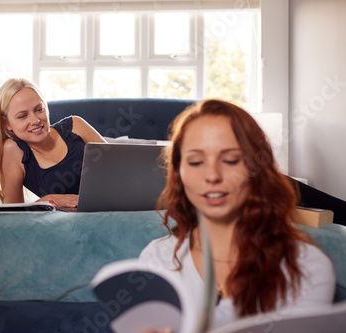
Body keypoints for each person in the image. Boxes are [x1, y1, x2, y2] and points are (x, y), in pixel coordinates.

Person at [139, 99, 336, 330]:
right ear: (178, 173)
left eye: (231, 160)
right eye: (195, 161)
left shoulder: (306, 266)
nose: (212, 175)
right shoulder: (156, 260)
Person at [0, 78, 106, 211]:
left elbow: (119, 164)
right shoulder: (13, 150)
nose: (35, 120)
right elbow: (12, 213)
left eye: (39, 109)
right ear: (6, 123)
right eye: (22, 116)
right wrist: (48, 201)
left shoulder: (75, 126)